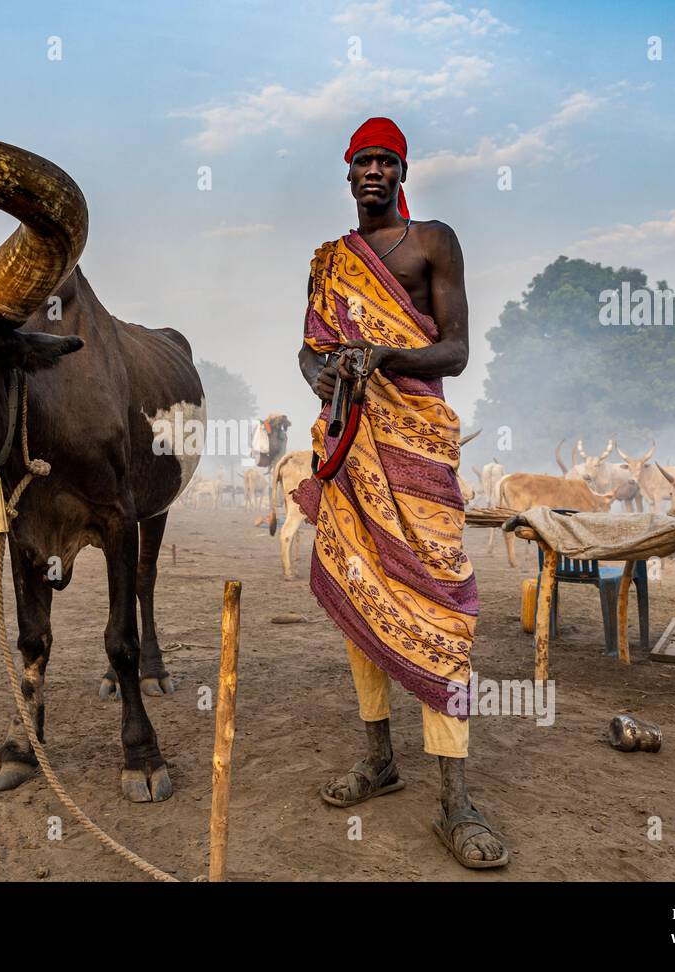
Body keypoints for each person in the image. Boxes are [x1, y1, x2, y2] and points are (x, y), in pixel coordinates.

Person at [292, 117, 507, 868]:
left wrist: (384, 354)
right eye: (362, 163)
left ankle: (455, 796)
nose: (374, 173)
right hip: (351, 449)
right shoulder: (329, 262)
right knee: (362, 596)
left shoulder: (432, 242)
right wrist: (322, 377)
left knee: (440, 601)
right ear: (348, 175)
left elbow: (454, 349)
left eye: (386, 162)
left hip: (416, 446)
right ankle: (379, 758)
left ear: (402, 171)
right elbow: (309, 347)